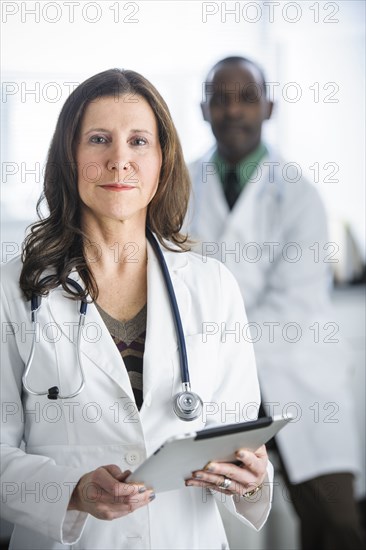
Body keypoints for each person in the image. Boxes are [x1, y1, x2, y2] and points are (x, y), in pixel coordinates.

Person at [0, 68, 273, 550]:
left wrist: (249, 478)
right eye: (99, 139)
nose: (119, 160)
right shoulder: (16, 290)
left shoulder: (212, 286)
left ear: (163, 161)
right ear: (70, 157)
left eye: (139, 141)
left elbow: (236, 441)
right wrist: (72, 492)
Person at [187, 56, 365, 550]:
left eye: (246, 96)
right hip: (215, 384)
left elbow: (292, 302)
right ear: (204, 109)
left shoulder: (300, 195)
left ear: (268, 106)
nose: (233, 110)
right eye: (220, 98)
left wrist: (212, 337)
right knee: (217, 521)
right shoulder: (179, 185)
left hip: (297, 374)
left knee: (335, 522)